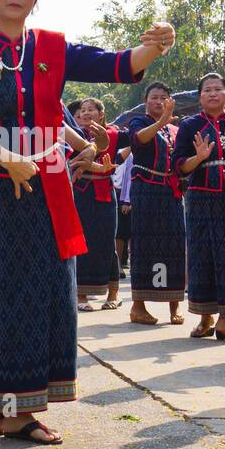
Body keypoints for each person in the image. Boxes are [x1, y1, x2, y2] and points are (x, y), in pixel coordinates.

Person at [0, 0, 172, 445]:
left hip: (47, 187)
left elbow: (115, 65)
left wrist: (152, 49)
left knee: (48, 293)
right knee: (2, 294)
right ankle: (10, 411)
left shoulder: (50, 47)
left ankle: (22, 407)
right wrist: (5, 158)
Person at [173, 73, 225, 341]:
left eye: (218, 89)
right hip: (200, 195)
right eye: (207, 90)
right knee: (201, 253)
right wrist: (200, 157)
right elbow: (179, 166)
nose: (213, 94)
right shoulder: (189, 125)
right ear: (200, 96)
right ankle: (205, 318)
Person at [127, 81, 186, 326]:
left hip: (170, 191)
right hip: (146, 189)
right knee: (145, 244)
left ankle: (174, 304)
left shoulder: (174, 130)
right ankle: (138, 306)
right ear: (146, 100)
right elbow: (139, 140)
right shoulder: (139, 122)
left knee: (173, 245)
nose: (159, 101)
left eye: (164, 97)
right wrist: (161, 122)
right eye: (154, 97)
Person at [71, 98, 127, 312]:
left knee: (107, 242)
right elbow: (74, 161)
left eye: (91, 109)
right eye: (82, 110)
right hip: (80, 192)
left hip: (105, 193)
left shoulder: (113, 134)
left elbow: (136, 139)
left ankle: (113, 294)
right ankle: (81, 294)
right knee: (80, 240)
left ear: (101, 114)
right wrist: (99, 167)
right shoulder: (75, 137)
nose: (85, 113)